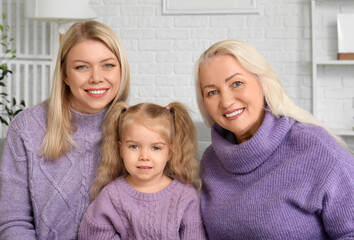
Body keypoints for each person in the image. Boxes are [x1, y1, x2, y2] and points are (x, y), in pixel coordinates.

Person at [195, 39, 354, 239]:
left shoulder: (315, 147)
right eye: (212, 92)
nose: (226, 101)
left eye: (237, 83)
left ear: (262, 83)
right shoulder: (211, 161)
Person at [0, 21, 130, 240]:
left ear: (121, 70)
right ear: (65, 75)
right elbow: (14, 221)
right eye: (82, 67)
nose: (96, 77)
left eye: (108, 65)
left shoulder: (136, 128)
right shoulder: (26, 128)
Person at [78, 101, 207, 240]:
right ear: (120, 149)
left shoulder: (185, 196)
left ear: (169, 152)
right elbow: (93, 234)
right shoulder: (111, 195)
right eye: (134, 146)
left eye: (156, 148)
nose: (144, 157)